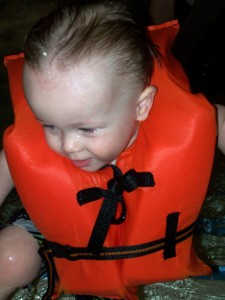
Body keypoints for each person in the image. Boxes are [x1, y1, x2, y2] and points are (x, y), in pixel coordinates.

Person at [0, 0, 223, 299]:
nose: (67, 145)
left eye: (87, 129)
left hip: (149, 234)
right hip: (60, 225)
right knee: (8, 262)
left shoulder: (188, 122)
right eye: (48, 125)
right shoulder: (62, 118)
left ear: (141, 106)